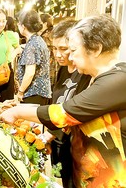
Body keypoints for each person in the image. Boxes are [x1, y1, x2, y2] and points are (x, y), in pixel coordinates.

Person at [0, 14, 126, 187]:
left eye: (73, 51)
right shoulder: (95, 77)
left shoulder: (118, 80)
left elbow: (65, 112)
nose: (70, 58)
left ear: (95, 48)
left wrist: (17, 111)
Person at [44, 19, 91, 188]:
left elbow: (76, 111)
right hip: (59, 140)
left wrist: (51, 132)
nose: (57, 54)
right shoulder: (62, 69)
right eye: (54, 48)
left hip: (75, 143)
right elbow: (58, 101)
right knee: (64, 180)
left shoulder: (85, 73)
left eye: (63, 49)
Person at [16, 9, 51, 105]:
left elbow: (30, 73)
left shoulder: (32, 44)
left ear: (23, 26)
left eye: (18, 23)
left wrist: (20, 91)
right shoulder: (38, 40)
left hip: (33, 93)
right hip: (42, 93)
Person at [39, 13, 57, 91]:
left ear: (45, 24)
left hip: (48, 69)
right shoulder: (55, 33)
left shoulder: (45, 36)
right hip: (55, 67)